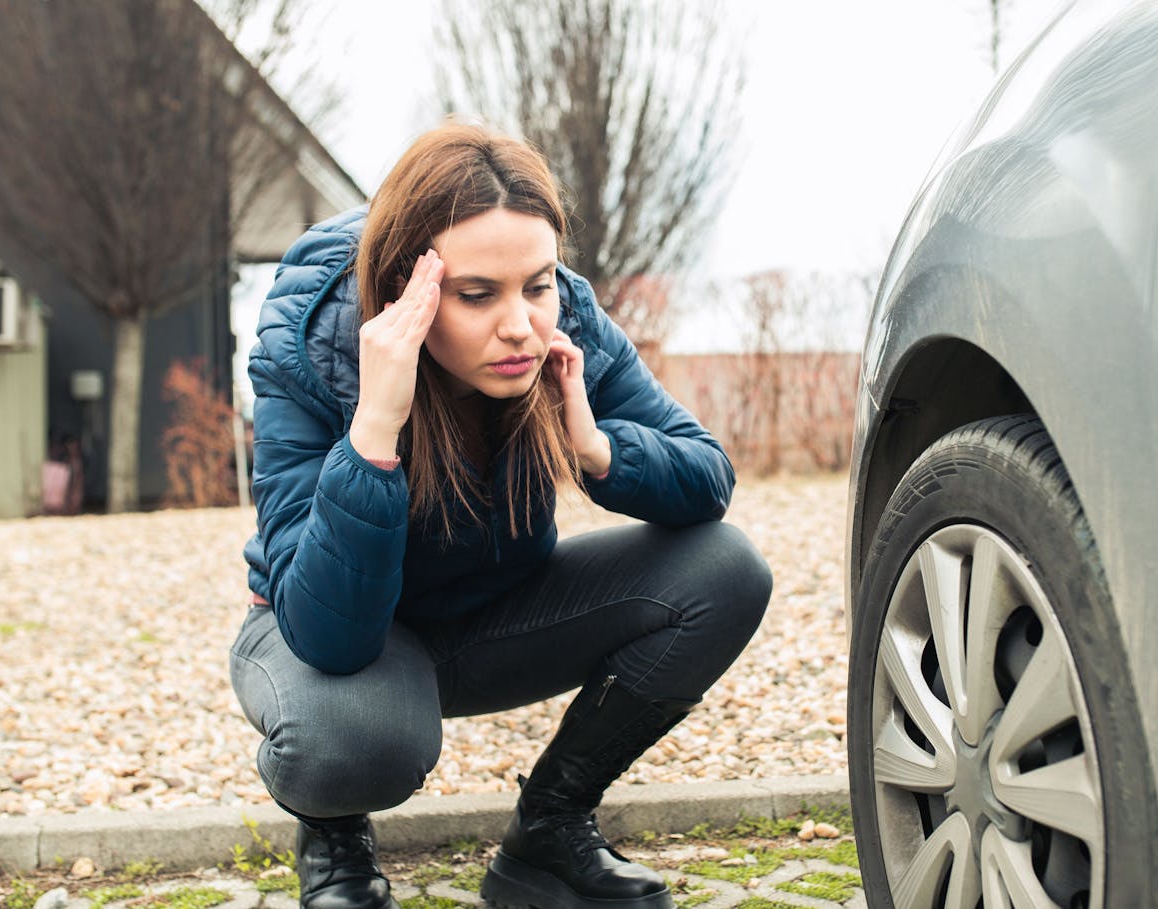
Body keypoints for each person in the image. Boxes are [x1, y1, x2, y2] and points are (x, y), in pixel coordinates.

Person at [229, 122, 773, 909]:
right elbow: (327, 632)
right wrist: (374, 430)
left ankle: (549, 831)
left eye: (538, 284)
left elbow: (707, 476)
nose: (519, 323)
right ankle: (334, 833)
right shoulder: (313, 342)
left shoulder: (562, 318)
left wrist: (594, 446)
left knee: (724, 569)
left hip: (491, 616)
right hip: (337, 642)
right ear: (403, 288)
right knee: (356, 740)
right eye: (477, 294)